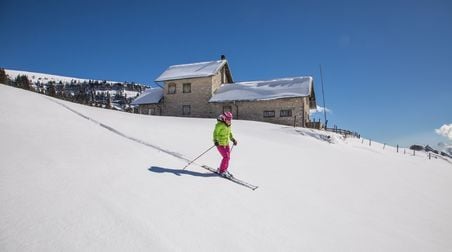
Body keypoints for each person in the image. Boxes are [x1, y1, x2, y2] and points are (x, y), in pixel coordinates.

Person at [213, 111, 237, 178]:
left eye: (230, 119)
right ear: (224, 118)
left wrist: (233, 139)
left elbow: (229, 133)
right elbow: (215, 134)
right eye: (228, 119)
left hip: (226, 143)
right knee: (226, 157)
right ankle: (222, 171)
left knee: (228, 157)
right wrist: (215, 141)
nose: (229, 121)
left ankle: (224, 169)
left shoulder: (229, 125)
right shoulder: (219, 125)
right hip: (220, 144)